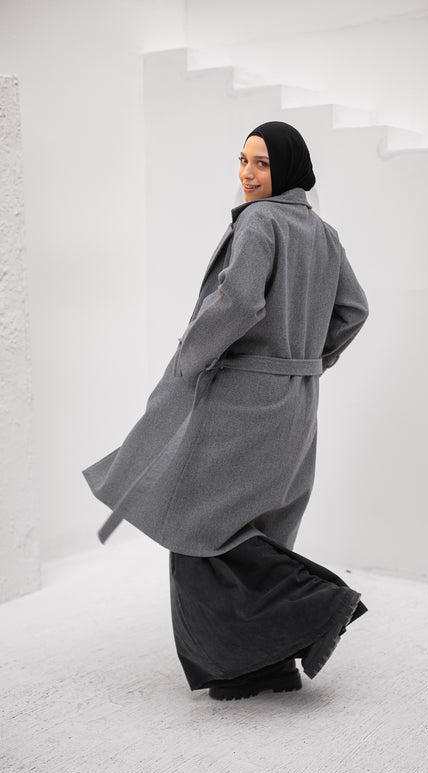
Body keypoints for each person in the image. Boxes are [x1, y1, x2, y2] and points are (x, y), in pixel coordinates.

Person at [82, 120, 370, 701]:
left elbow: (238, 301)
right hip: (296, 404)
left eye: (262, 163)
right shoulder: (323, 232)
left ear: (288, 168)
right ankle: (266, 666)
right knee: (261, 529)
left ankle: (319, 605)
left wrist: (192, 353)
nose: (247, 174)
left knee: (195, 524)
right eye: (243, 161)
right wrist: (307, 362)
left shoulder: (261, 221)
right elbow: (353, 311)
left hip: (241, 401)